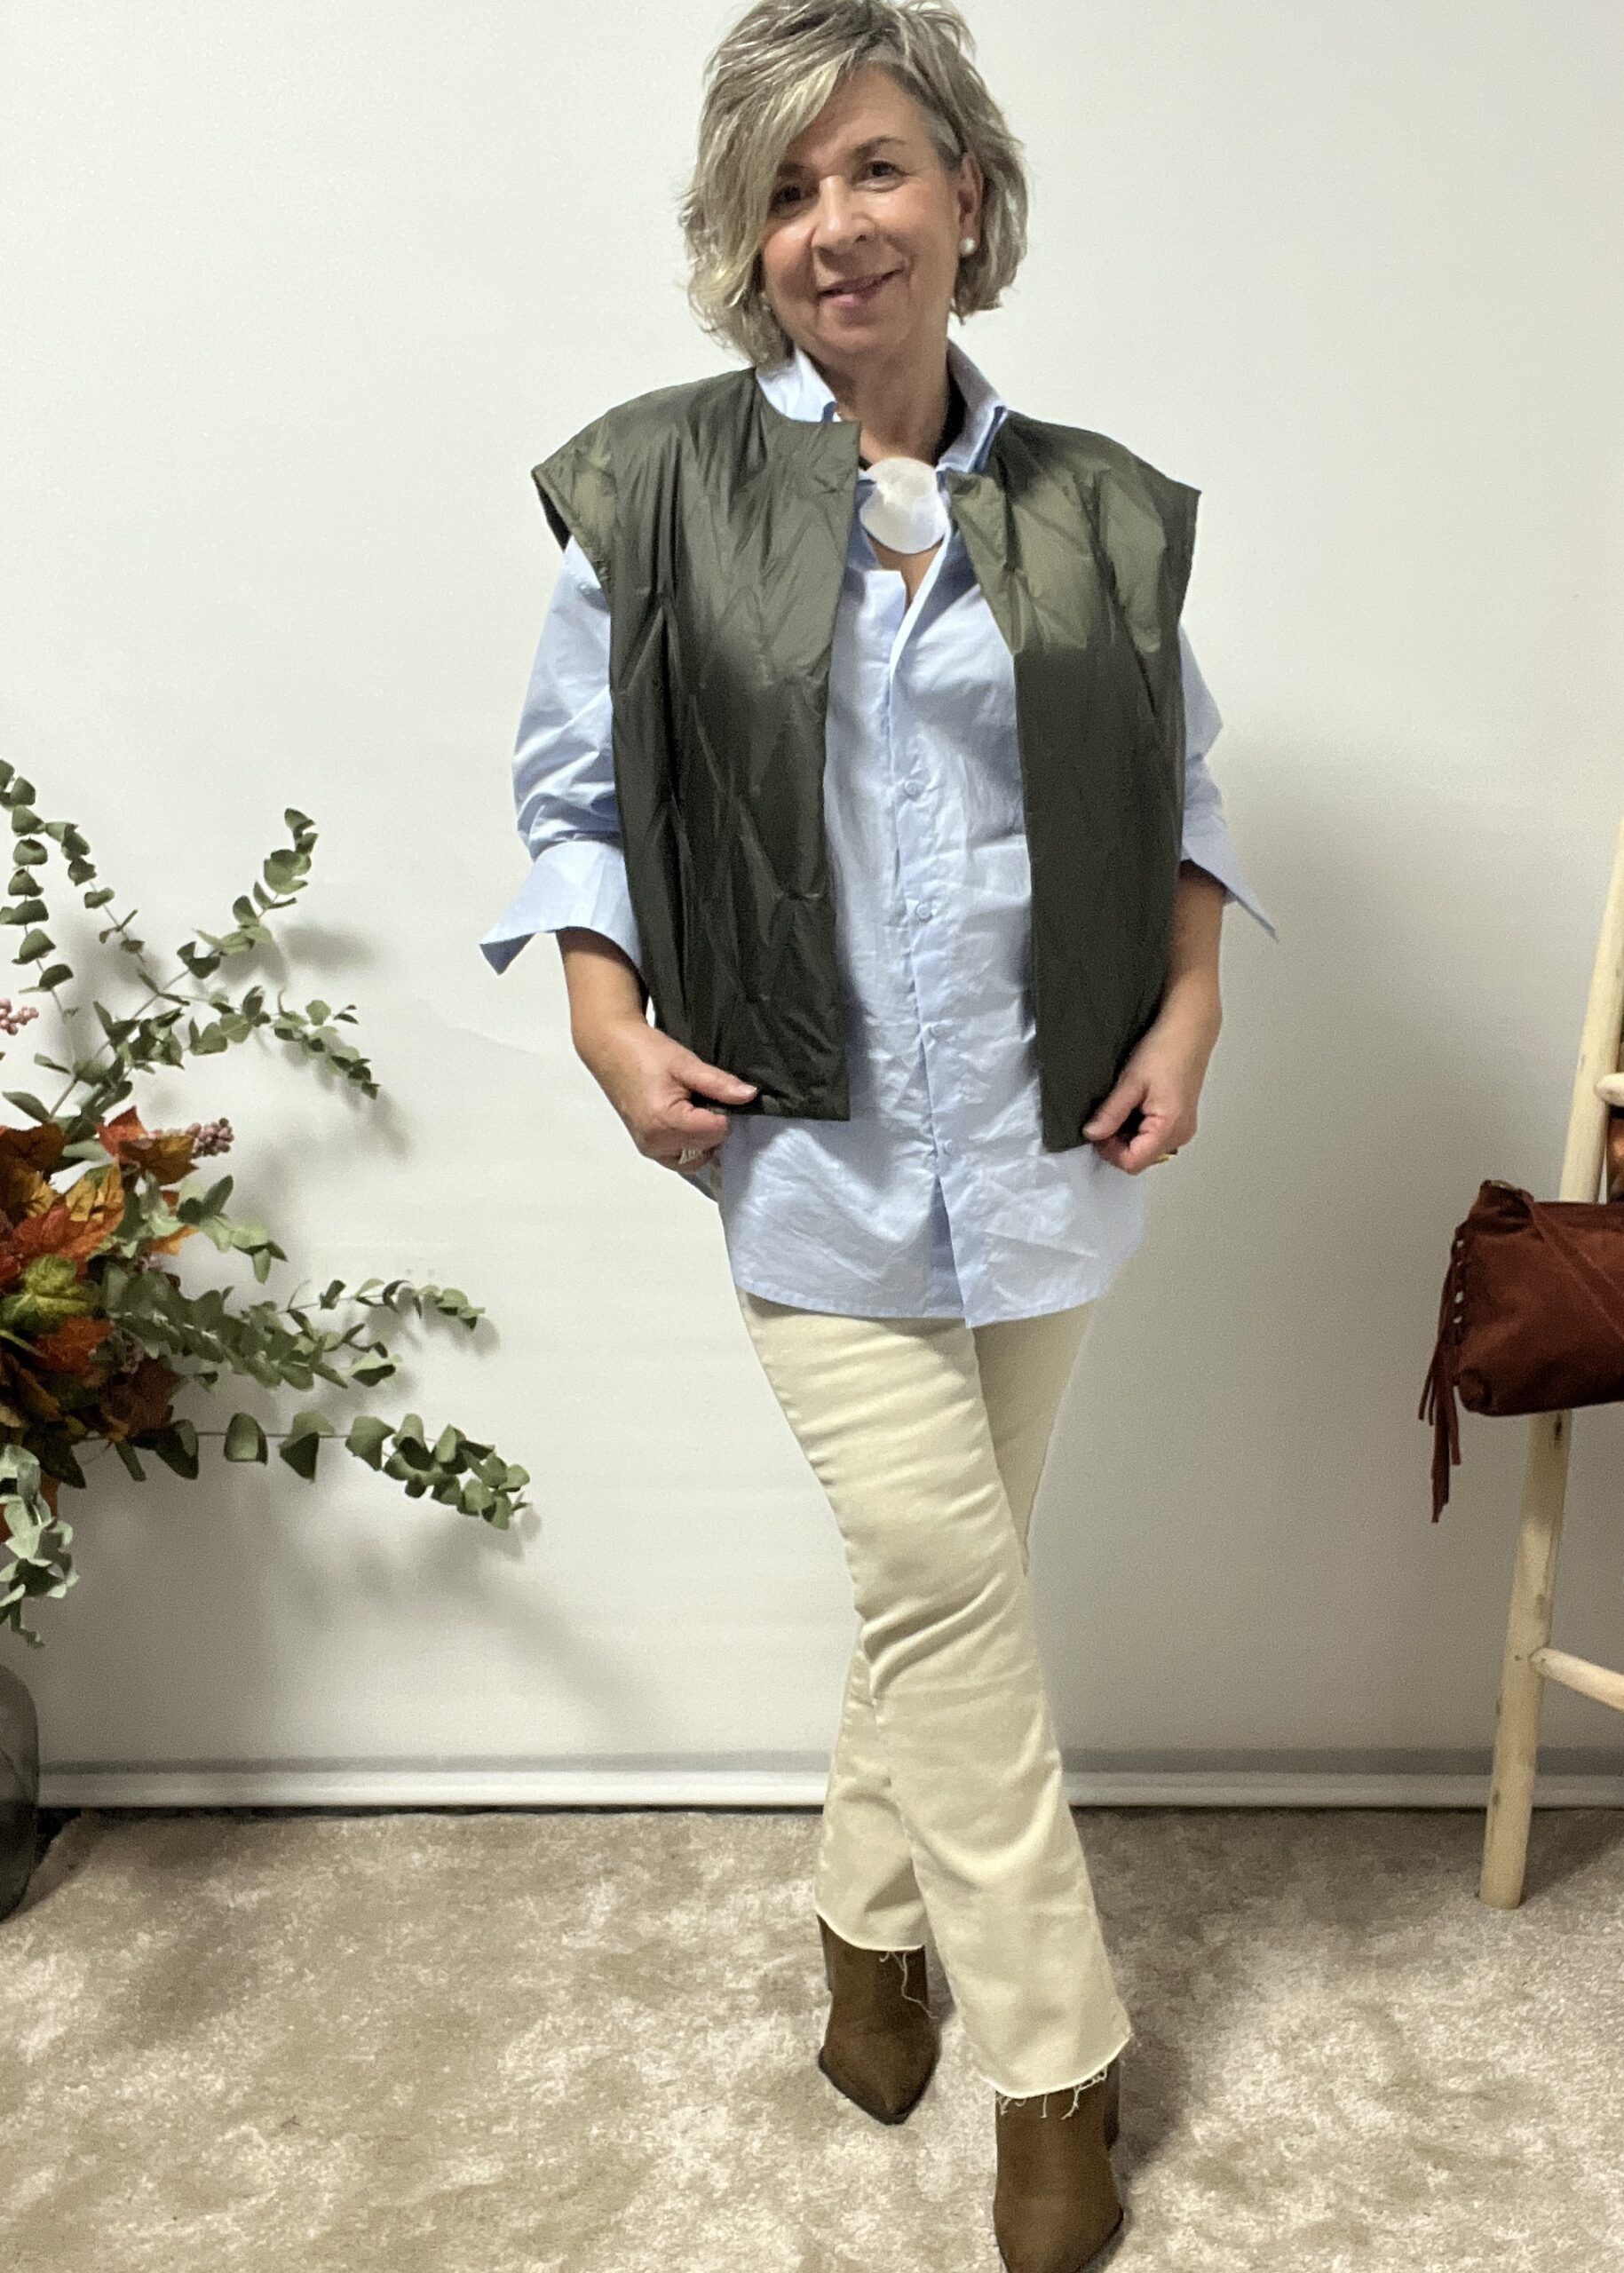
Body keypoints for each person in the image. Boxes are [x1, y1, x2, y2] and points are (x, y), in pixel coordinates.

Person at [479, 4, 1276, 2265]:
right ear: (745, 241)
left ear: (967, 197)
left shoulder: (1100, 509)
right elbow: (570, 798)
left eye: (878, 168)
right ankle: (1060, 2057)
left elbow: (1188, 796)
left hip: (1048, 1139)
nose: (836, 223)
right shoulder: (651, 485)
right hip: (807, 1140)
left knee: (946, 1587)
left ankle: (864, 1927)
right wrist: (604, 1019)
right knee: (949, 1580)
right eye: (787, 187)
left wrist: (1196, 1005)